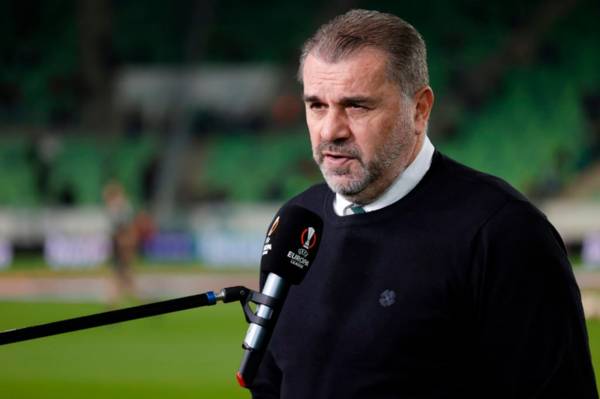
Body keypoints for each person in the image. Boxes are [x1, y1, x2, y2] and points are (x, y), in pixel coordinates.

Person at [250, 9, 598, 399]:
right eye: (317, 105)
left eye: (357, 106)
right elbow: (271, 385)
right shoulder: (297, 225)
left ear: (419, 109)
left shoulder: (503, 233)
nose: (331, 130)